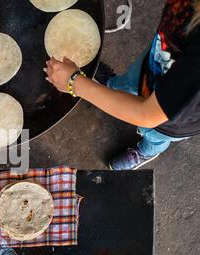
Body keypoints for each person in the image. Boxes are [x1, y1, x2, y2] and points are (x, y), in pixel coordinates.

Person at [45, 0, 200, 170]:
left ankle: (146, 151)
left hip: (171, 120)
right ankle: (112, 86)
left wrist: (74, 82)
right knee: (127, 82)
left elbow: (147, 114)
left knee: (154, 135)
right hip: (159, 58)